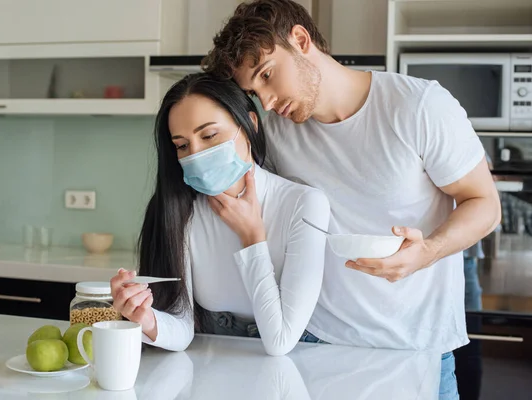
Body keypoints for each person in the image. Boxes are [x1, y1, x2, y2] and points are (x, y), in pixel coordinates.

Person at [201, 0, 501, 398]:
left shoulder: (418, 106)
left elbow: (484, 203)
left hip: (414, 349)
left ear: (301, 40)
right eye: (255, 92)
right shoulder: (276, 134)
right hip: (318, 345)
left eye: (268, 75)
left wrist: (427, 251)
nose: (268, 101)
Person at [109, 73, 330, 356]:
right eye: (182, 145)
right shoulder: (178, 209)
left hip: (296, 359)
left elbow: (280, 341)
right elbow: (182, 327)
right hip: (212, 348)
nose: (196, 154)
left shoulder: (304, 204)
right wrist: (145, 318)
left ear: (250, 125)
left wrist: (252, 237)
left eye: (210, 135)